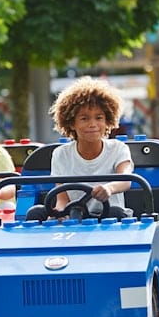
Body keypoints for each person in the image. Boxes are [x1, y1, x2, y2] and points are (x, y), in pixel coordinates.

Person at [27, 76, 134, 221]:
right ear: (71, 123)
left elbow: (126, 180)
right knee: (35, 213)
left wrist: (109, 188)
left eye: (99, 118)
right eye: (84, 118)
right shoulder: (61, 154)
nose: (92, 124)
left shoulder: (118, 148)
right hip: (75, 216)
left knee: (116, 212)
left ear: (107, 119)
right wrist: (59, 213)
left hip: (109, 217)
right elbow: (62, 198)